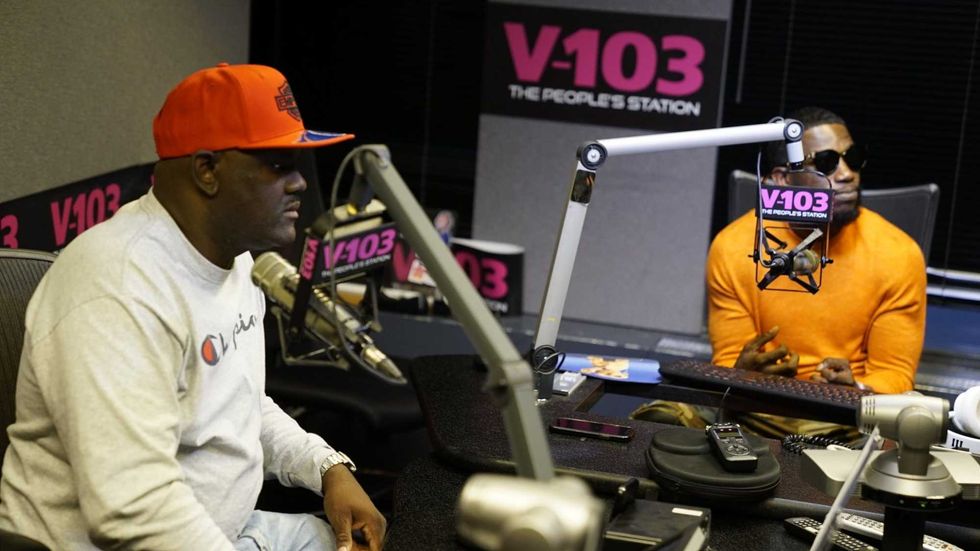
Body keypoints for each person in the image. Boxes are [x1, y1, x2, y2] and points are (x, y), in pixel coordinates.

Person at [0, 63, 386, 550]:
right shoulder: (117, 287)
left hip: (224, 529)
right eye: (278, 164)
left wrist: (328, 468)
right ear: (207, 170)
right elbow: (134, 510)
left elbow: (241, 405)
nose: (300, 183)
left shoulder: (235, 257)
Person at [634, 106, 927, 437]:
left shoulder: (898, 253)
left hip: (845, 417)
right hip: (756, 406)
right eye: (827, 163)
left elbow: (895, 374)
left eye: (853, 158)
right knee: (658, 418)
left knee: (908, 432)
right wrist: (740, 374)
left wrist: (855, 389)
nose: (847, 174)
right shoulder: (734, 247)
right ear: (782, 179)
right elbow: (728, 360)